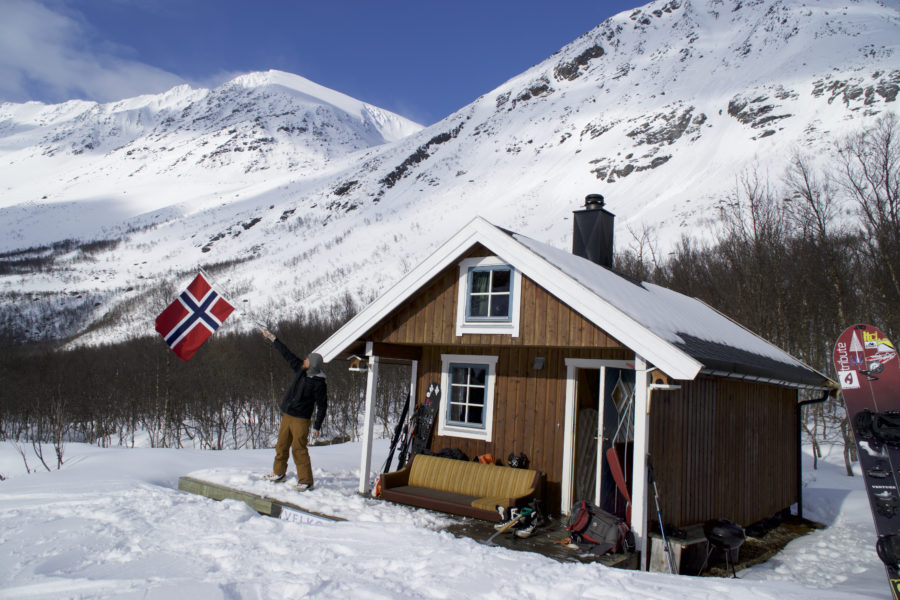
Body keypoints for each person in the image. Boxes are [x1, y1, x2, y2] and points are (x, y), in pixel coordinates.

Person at [261, 328, 327, 491]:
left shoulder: (319, 384)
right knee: (281, 446)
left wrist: (317, 426)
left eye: (308, 359)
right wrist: (273, 339)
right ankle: (279, 473)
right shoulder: (301, 370)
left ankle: (306, 481)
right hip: (288, 414)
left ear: (312, 365)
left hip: (301, 419)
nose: (304, 360)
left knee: (299, 449)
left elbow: (322, 405)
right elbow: (287, 354)